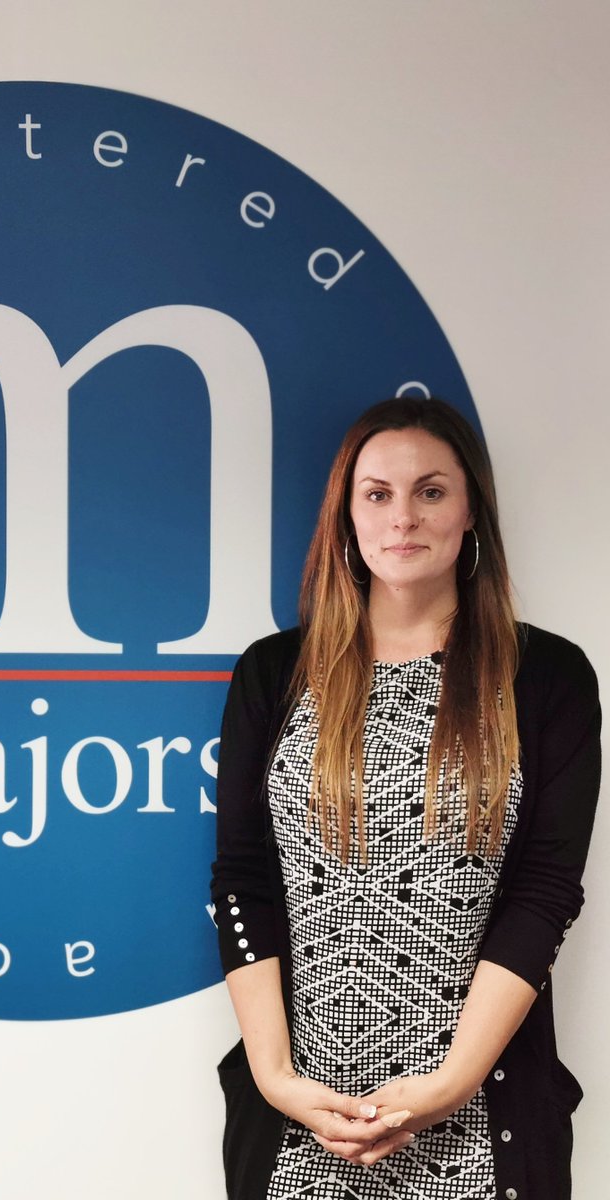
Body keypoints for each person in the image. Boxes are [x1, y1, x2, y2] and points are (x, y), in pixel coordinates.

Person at [210, 397, 601, 1200]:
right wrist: (277, 1079)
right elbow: (243, 879)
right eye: (378, 493)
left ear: (471, 511)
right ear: (346, 515)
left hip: (478, 1123)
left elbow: (545, 890)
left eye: (431, 491)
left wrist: (450, 1085)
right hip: (303, 1123)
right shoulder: (274, 674)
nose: (403, 517)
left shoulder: (547, 677)